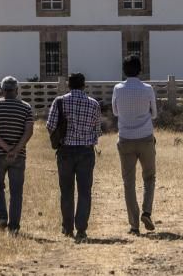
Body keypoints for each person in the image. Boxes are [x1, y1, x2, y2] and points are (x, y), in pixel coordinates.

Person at [46, 71, 101, 240]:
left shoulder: (60, 101)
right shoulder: (93, 104)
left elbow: (50, 125)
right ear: (84, 85)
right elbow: (97, 131)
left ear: (68, 85)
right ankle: (82, 228)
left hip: (66, 151)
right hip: (86, 151)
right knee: (85, 191)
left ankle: (67, 227)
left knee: (66, 190)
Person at [112, 54, 158, 235]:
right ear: (140, 70)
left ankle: (134, 225)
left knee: (128, 182)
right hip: (145, 137)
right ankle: (146, 212)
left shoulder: (118, 88)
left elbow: (115, 112)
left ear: (124, 71)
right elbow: (154, 114)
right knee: (149, 177)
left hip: (125, 139)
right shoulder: (147, 89)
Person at [0, 75, 34, 234]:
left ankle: (2, 217)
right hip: (19, 156)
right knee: (16, 191)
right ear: (17, 90)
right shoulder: (26, 107)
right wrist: (15, 150)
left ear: (2, 90)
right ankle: (14, 227)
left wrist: (6, 148)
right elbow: (28, 132)